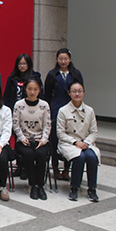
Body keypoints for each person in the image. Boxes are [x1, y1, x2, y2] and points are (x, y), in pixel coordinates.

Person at [57, 80, 101, 202]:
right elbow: (60, 133)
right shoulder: (63, 110)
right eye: (74, 91)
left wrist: (86, 143)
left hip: (86, 143)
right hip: (69, 143)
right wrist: (75, 143)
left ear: (84, 93)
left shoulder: (89, 110)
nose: (77, 94)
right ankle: (74, 188)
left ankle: (92, 189)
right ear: (69, 93)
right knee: (79, 157)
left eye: (80, 91)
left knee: (92, 157)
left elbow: (94, 131)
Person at [44, 48, 84, 180]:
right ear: (56, 59)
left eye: (65, 59)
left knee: (70, 138)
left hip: (72, 110)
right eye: (61, 59)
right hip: (56, 110)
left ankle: (67, 169)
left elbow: (80, 91)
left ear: (70, 59)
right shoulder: (52, 74)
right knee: (55, 139)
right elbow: (47, 94)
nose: (63, 61)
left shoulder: (76, 74)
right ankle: (55, 168)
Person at [12, 78, 51, 200]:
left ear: (39, 90)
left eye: (35, 89)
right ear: (25, 89)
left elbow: (47, 125)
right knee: (28, 154)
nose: (32, 92)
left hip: (40, 140)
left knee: (40, 155)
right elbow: (15, 124)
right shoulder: (19, 105)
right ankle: (33, 185)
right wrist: (22, 138)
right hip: (23, 140)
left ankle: (40, 185)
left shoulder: (44, 105)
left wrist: (43, 140)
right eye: (29, 89)